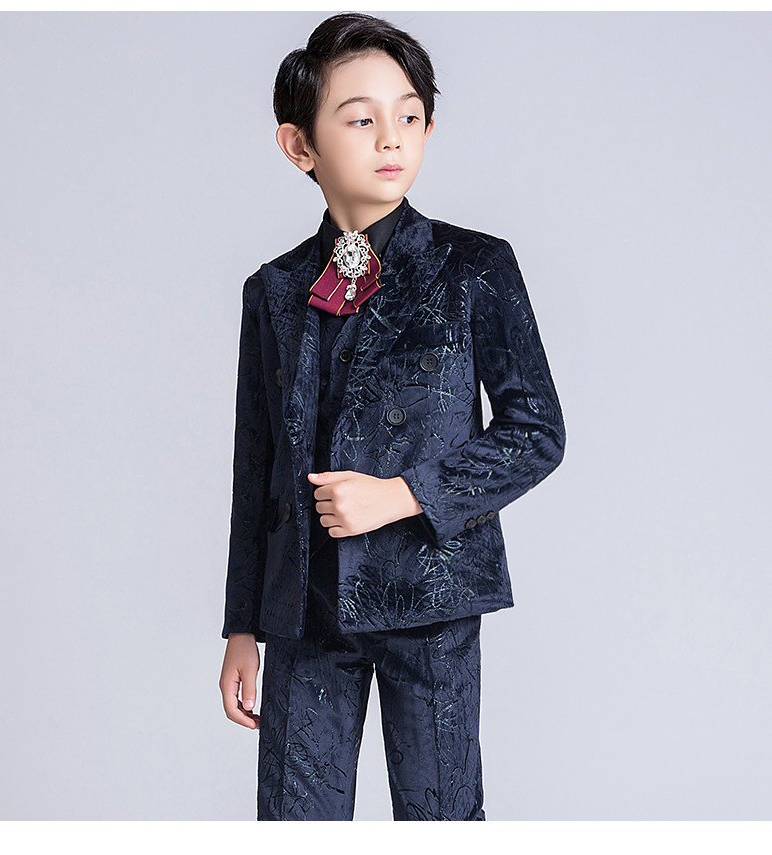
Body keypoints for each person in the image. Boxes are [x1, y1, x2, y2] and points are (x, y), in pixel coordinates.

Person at [218, 12, 566, 821]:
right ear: (299, 145)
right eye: (360, 119)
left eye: (409, 116)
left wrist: (403, 493)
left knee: (442, 819)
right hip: (303, 609)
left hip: (431, 598)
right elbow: (256, 465)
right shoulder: (273, 290)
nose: (391, 138)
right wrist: (241, 625)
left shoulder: (474, 267)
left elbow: (536, 431)